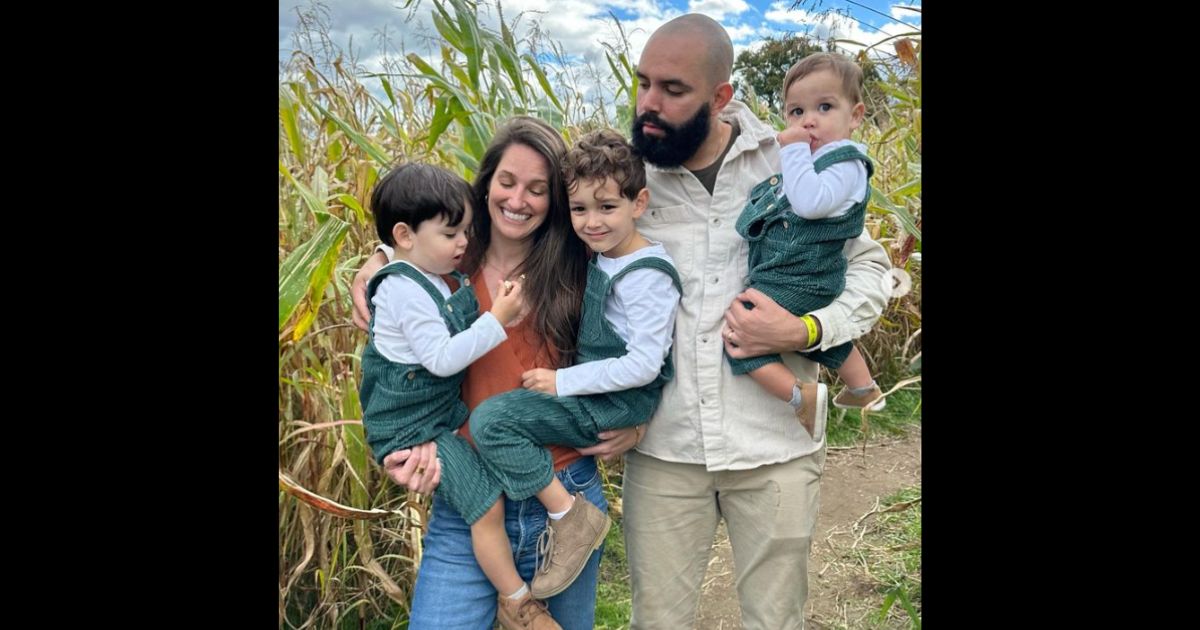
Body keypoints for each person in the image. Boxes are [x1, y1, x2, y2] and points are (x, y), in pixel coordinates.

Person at [621, 14, 892, 629]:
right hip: (665, 448)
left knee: (776, 621)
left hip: (775, 445)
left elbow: (871, 270)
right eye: (642, 84)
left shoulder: (795, 157)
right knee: (656, 622)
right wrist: (390, 259)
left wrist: (808, 331)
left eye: (672, 89)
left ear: (721, 97)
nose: (649, 105)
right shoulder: (625, 178)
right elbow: (519, 223)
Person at [352, 117, 625, 630]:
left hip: (565, 499)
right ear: (485, 184)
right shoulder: (444, 263)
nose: (518, 199)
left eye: (538, 189)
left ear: (555, 201)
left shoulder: (580, 266)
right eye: (507, 181)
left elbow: (638, 342)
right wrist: (377, 259)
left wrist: (635, 424)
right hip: (470, 494)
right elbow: (403, 243)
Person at [469, 128, 682, 600]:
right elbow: (415, 228)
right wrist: (384, 256)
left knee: (494, 420)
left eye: (606, 207)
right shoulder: (601, 254)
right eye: (580, 209)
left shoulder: (637, 270)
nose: (591, 221)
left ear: (638, 203)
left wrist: (564, 382)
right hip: (491, 483)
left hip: (599, 410)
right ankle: (569, 516)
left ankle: (570, 518)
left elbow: (645, 364)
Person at [357, 162, 553, 629]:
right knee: (486, 504)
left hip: (434, 420)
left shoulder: (430, 268)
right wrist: (496, 318)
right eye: (452, 234)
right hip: (417, 427)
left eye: (466, 231)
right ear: (406, 235)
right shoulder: (406, 289)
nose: (463, 243)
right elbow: (442, 360)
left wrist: (385, 251)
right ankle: (517, 602)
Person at [725, 51, 887, 416]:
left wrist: (794, 149)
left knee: (739, 342)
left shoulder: (845, 162)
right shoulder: (824, 161)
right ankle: (864, 387)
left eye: (824, 107)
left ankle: (802, 398)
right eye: (797, 112)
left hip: (800, 274)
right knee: (821, 344)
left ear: (856, 115)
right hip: (809, 276)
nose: (809, 121)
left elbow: (808, 204)